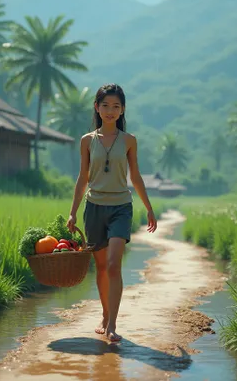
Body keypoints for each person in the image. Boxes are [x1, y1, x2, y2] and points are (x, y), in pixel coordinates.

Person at [66, 83, 157, 342]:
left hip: (120, 208)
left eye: (116, 106)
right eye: (105, 105)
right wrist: (73, 212)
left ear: (122, 110)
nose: (110, 110)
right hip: (94, 207)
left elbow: (135, 176)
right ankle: (105, 314)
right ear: (97, 107)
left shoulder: (129, 141)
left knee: (114, 265)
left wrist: (149, 208)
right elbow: (82, 177)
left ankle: (113, 324)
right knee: (102, 268)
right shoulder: (87, 140)